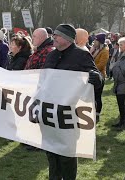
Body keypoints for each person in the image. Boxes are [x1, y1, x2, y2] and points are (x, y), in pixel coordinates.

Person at [44, 24, 103, 180]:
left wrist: (97, 78)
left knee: (67, 155)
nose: (53, 37)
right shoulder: (51, 55)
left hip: (69, 113)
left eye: (57, 35)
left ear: (67, 39)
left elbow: (97, 78)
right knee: (51, 152)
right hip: (49, 112)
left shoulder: (81, 55)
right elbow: (43, 82)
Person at [90, 33, 109, 122]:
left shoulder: (105, 51)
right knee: (92, 96)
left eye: (96, 40)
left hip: (99, 76)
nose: (94, 42)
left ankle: (97, 114)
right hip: (93, 75)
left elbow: (101, 65)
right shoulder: (95, 49)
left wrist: (90, 69)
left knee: (97, 96)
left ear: (100, 42)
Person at [111, 37, 125, 130]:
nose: (119, 46)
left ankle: (123, 124)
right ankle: (121, 121)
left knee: (123, 105)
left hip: (123, 84)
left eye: (121, 45)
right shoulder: (120, 54)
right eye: (119, 44)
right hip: (118, 84)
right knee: (121, 105)